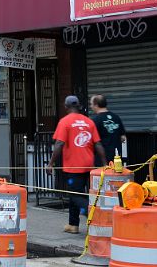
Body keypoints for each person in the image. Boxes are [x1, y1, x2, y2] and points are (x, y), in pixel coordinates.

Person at [48, 95, 106, 233]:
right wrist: (104, 163)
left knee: (75, 195)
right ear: (79, 106)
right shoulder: (88, 122)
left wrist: (51, 163)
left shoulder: (65, 122)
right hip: (89, 165)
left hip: (74, 167)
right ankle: (73, 225)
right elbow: (97, 144)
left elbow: (59, 143)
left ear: (66, 107)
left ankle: (89, 212)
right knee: (77, 193)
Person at [90, 95, 127, 161]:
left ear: (96, 105)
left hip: (101, 159)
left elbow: (93, 141)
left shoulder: (95, 121)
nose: (91, 106)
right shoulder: (116, 117)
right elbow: (123, 138)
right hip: (116, 158)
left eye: (91, 104)